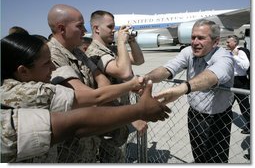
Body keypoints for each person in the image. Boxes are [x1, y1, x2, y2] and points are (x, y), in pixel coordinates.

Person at [0, 33, 171, 163]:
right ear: (23, 71)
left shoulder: (78, 54)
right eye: (46, 64)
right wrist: (138, 109)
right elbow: (83, 113)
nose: (53, 68)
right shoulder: (28, 93)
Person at [47, 4, 145, 162]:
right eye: (79, 26)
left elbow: (102, 81)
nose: (85, 31)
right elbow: (86, 96)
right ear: (61, 28)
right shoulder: (52, 55)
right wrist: (130, 111)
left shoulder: (77, 52)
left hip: (88, 139)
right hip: (69, 145)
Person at [144, 19, 234, 163]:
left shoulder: (224, 56)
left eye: (201, 38)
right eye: (193, 37)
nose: (195, 42)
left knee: (217, 159)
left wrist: (181, 89)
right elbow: (168, 69)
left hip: (218, 118)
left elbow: (212, 75)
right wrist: (146, 78)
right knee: (198, 156)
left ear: (216, 42)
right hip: (194, 115)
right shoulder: (188, 52)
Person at [85, 10, 146, 162]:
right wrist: (120, 42)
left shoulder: (109, 50)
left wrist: (131, 41)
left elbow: (139, 60)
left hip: (119, 117)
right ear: (96, 28)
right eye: (110, 26)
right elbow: (124, 72)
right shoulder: (95, 51)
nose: (114, 30)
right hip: (110, 118)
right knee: (112, 159)